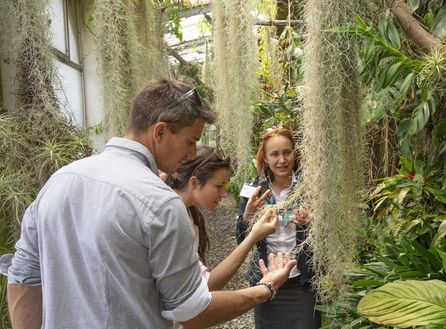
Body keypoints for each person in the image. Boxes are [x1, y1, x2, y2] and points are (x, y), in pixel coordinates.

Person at [5, 78, 296, 329]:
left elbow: (23, 277)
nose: (193, 152)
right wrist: (264, 289)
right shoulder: (159, 203)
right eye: (190, 141)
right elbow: (191, 312)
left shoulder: (60, 180)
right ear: (160, 132)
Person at [236, 126, 321, 329]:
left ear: (295, 153)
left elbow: (327, 234)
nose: (282, 160)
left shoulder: (311, 186)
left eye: (287, 152)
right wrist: (247, 218)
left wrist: (312, 221)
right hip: (267, 281)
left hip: (302, 282)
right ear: (265, 157)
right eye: (274, 154)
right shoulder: (254, 189)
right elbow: (241, 240)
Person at [167, 146, 277, 291]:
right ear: (194, 183)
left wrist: (248, 220)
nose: (224, 194)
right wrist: (254, 236)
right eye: (219, 186)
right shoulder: (171, 218)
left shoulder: (185, 212)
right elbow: (205, 286)